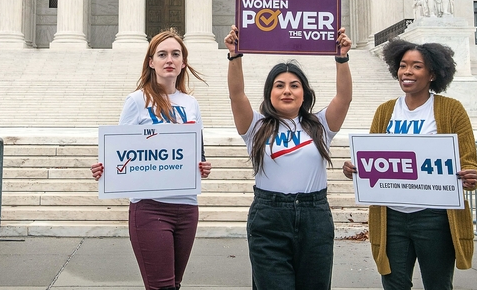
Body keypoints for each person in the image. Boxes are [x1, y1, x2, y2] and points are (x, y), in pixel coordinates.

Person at [342, 39, 477, 290]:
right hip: (392, 217)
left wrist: (472, 176)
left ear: (433, 74)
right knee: (394, 284)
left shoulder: (451, 109)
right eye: (403, 65)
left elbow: (469, 160)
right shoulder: (385, 111)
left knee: (438, 285)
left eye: (416, 66)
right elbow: (374, 158)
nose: (407, 72)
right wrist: (355, 168)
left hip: (435, 217)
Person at [224, 24, 352, 290]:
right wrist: (234, 56)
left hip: (314, 217)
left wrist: (342, 59)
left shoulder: (320, 125)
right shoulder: (255, 126)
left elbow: (344, 97)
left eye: (294, 85)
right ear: (270, 93)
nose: (287, 91)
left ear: (303, 93)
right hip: (269, 217)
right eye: (279, 85)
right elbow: (236, 95)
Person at [91, 29, 212, 290]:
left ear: (183, 63)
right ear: (151, 62)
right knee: (161, 287)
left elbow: (197, 153)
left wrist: (203, 166)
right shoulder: (137, 101)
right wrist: (106, 168)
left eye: (175, 54)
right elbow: (121, 150)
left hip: (188, 207)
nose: (169, 59)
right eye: (162, 54)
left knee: (175, 284)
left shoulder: (191, 104)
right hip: (150, 208)